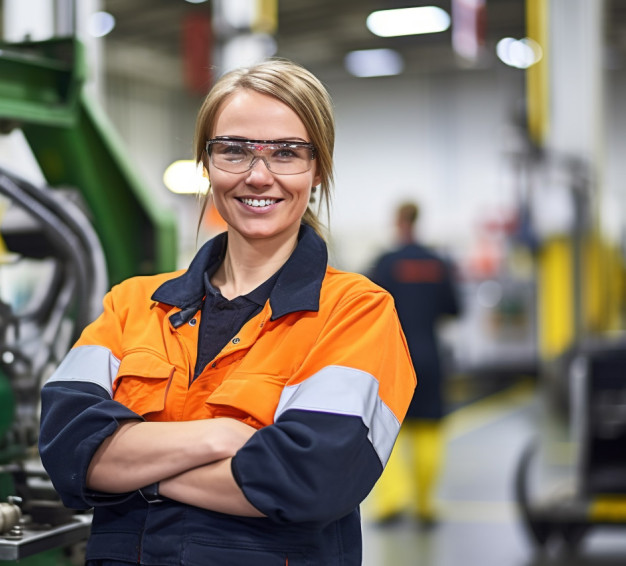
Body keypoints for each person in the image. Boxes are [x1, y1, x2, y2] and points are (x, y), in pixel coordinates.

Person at [39, 59, 416, 565]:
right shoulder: (132, 305)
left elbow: (309, 481)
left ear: (318, 167)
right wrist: (221, 435)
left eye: (286, 153)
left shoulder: (356, 313)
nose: (258, 177)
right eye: (234, 151)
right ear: (207, 164)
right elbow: (67, 447)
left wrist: (130, 469)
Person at [367, 201, 461, 527]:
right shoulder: (438, 263)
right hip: (431, 357)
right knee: (429, 429)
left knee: (388, 429)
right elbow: (454, 308)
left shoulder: (385, 263)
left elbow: (369, 310)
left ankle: (392, 502)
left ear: (397, 221)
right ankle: (425, 506)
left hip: (393, 357)